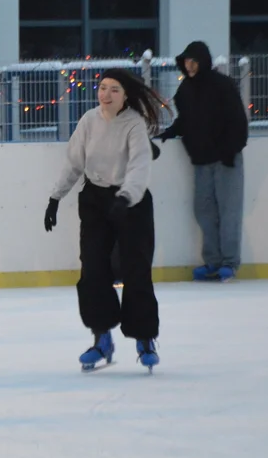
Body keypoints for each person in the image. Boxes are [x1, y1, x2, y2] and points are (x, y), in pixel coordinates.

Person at [44, 68, 167, 373]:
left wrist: (126, 197)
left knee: (137, 270)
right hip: (96, 201)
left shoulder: (134, 125)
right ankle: (102, 339)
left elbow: (140, 166)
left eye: (114, 89)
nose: (106, 94)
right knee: (93, 270)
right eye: (102, 88)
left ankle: (144, 338)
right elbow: (73, 162)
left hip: (132, 203)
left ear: (125, 96)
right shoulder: (88, 121)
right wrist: (55, 197)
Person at [156, 41, 249, 282]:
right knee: (204, 211)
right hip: (201, 161)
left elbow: (238, 121)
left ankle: (229, 262)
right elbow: (187, 120)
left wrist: (231, 150)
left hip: (226, 159)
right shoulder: (186, 89)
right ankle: (213, 261)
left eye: (193, 62)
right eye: (186, 62)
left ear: (203, 62)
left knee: (229, 212)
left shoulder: (223, 85)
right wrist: (171, 131)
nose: (189, 66)